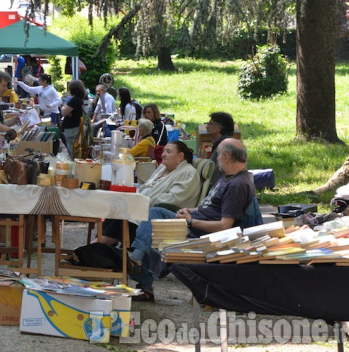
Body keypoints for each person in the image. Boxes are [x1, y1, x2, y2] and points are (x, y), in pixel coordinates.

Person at [127, 138, 254, 301]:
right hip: (192, 222)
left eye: (218, 154)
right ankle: (139, 269)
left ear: (227, 157)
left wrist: (190, 221)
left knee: (152, 219)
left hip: (200, 234)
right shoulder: (228, 177)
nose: (215, 158)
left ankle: (137, 263)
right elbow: (209, 207)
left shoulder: (237, 185)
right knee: (154, 215)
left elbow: (225, 226)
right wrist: (190, 211)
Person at [100, 141, 200, 246]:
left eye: (168, 151)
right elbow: (146, 186)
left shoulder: (188, 173)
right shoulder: (163, 168)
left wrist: (141, 202)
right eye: (164, 151)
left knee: (122, 217)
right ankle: (97, 247)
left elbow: (173, 199)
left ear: (180, 156)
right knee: (117, 210)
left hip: (158, 216)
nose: (163, 154)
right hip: (141, 208)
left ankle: (95, 247)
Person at [207, 111, 236, 187]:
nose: (207, 126)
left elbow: (215, 176)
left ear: (220, 128)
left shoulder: (225, 147)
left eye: (210, 123)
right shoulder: (223, 143)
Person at [60, 79, 86, 158]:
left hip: (72, 128)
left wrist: (64, 107)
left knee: (72, 151)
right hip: (75, 126)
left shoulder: (74, 100)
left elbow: (64, 112)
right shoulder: (79, 99)